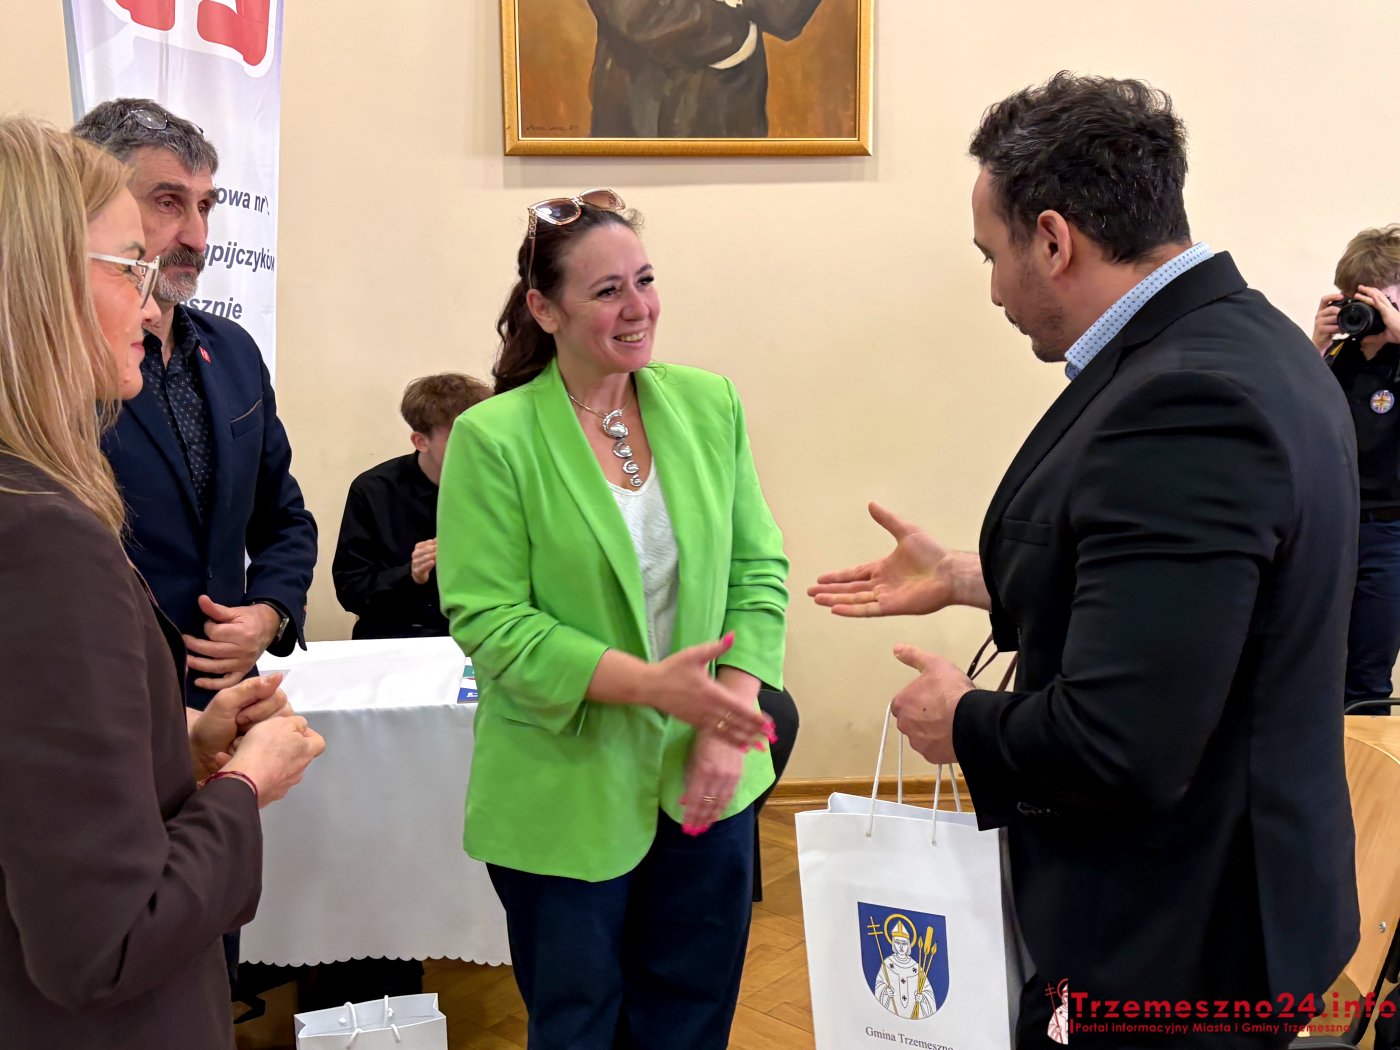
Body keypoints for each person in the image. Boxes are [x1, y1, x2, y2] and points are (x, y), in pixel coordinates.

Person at [811, 74, 1360, 1048]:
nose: (992, 288)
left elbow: (1122, 743)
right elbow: (1203, 606)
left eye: (990, 255)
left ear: (1054, 240)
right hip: (1232, 899)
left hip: (1173, 939)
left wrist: (963, 722)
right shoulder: (1250, 339)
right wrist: (975, 577)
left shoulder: (1183, 404)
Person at [0, 116, 324, 1050]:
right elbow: (106, 944)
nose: (149, 307)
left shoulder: (232, 355)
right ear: (39, 283)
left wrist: (175, 741)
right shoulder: (44, 536)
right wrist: (247, 785)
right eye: (128, 265)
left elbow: (283, 514)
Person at [437, 188, 787, 1049]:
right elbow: (491, 622)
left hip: (706, 778)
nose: (639, 308)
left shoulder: (709, 404)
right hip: (563, 788)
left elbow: (758, 571)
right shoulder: (493, 438)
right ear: (544, 308)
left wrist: (725, 721)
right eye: (606, 291)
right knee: (578, 1026)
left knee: (692, 1020)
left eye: (646, 280)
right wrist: (651, 686)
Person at [72, 98, 317, 714]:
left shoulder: (233, 351)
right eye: (168, 202)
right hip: (109, 703)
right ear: (93, 206)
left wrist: (269, 613)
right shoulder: (59, 370)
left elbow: (283, 515)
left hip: (228, 700)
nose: (197, 237)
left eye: (204, 206)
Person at [1310, 225, 1400, 712]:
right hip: (1328, 528)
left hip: (1388, 536)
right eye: (1360, 299)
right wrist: (1314, 347)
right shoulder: (1336, 357)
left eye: (1383, 299)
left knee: (1366, 681)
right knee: (1308, 667)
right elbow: (1291, 420)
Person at [333, 373, 491, 640]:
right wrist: (412, 574)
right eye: (461, 438)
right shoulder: (373, 490)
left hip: (480, 634)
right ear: (421, 441)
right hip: (396, 636)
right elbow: (352, 592)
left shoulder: (500, 484)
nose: (476, 449)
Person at [586, 0, 824, 137]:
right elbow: (641, 16)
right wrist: (736, 36)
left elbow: (785, 12)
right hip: (646, 106)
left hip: (732, 104)